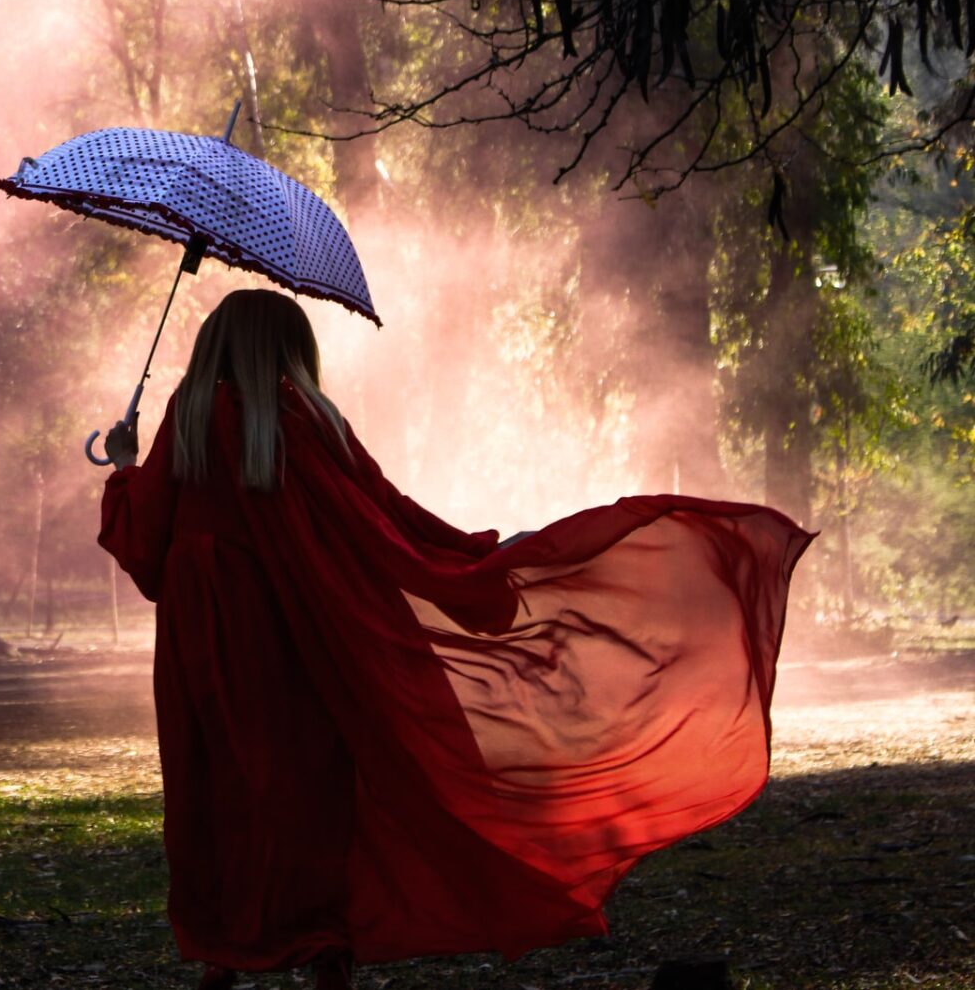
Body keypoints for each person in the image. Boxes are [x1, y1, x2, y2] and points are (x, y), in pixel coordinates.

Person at [97, 289, 812, 990]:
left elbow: (147, 554)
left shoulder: (186, 424)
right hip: (302, 646)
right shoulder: (307, 424)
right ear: (288, 352)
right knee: (308, 788)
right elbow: (387, 518)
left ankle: (223, 950)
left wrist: (126, 468)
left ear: (215, 345)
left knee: (213, 787)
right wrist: (474, 560)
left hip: (202, 653)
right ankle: (325, 948)